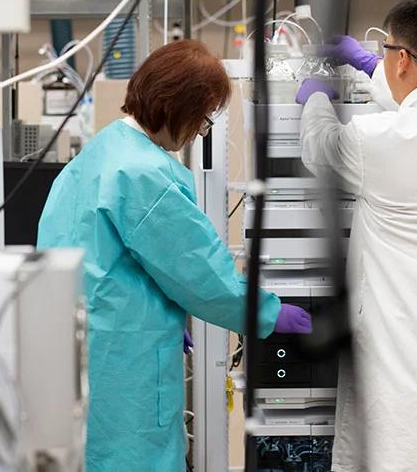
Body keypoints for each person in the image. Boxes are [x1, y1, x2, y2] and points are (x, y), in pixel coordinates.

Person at [38, 39, 313, 472]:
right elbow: (204, 277)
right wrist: (270, 312)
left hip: (79, 352)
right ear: (174, 105)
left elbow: (101, 263)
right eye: (202, 118)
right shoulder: (146, 174)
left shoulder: (97, 154)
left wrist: (158, 312)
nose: (203, 132)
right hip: (125, 368)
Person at [295, 0, 417, 472]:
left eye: (388, 49)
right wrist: (374, 64)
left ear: (404, 61)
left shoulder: (378, 142)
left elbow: (319, 147)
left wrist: (315, 98)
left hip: (401, 359)